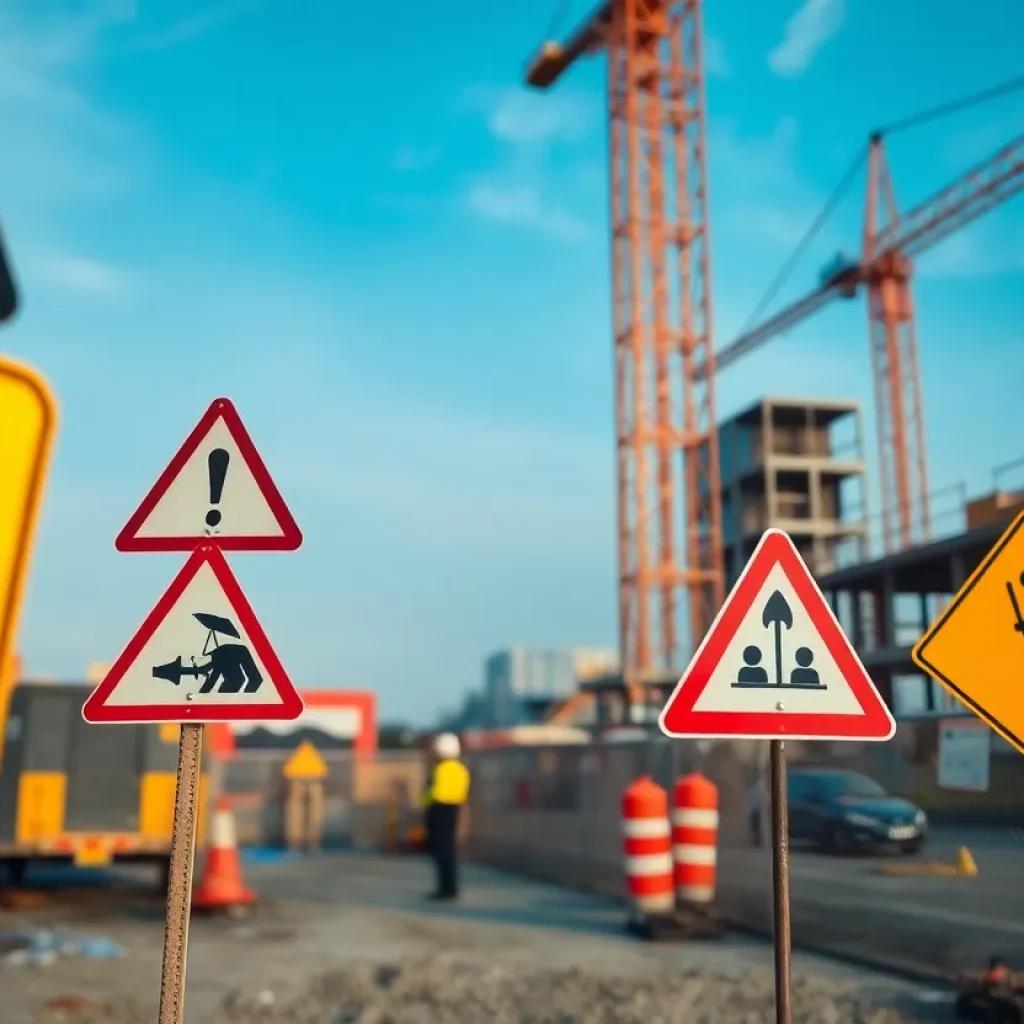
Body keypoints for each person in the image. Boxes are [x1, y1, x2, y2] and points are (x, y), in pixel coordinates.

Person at [421, 732, 471, 901]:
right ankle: (450, 887)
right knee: (449, 851)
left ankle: (445, 889)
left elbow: (431, 793)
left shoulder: (439, 770)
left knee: (442, 852)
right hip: (453, 810)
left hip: (439, 811)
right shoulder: (461, 770)